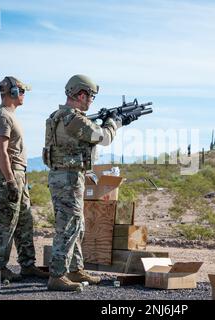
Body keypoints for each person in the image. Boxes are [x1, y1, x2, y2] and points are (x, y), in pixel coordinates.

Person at [43, 74, 136, 291]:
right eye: (90, 96)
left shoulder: (58, 116)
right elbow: (103, 137)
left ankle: (74, 269)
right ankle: (57, 275)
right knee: (68, 226)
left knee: (77, 225)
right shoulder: (73, 118)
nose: (91, 100)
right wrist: (114, 123)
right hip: (68, 178)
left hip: (66, 176)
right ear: (81, 94)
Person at [0, 76, 49, 282]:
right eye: (22, 91)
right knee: (6, 224)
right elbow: (1, 152)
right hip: (10, 176)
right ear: (13, 92)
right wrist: (11, 181)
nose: (24, 95)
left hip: (18, 175)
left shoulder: (10, 116)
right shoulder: (3, 117)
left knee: (24, 222)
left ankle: (28, 266)